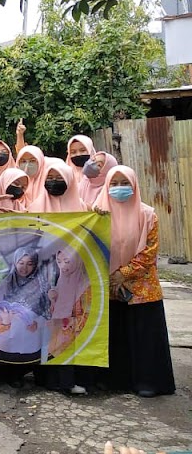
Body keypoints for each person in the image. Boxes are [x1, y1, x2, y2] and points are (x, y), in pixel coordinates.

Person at [93, 166, 175, 397]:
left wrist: (123, 273)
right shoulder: (97, 214)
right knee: (116, 333)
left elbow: (149, 252)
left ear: (135, 185)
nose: (119, 188)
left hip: (142, 287)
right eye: (114, 183)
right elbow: (89, 246)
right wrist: (111, 276)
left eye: (125, 183)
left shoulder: (148, 215)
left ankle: (148, 382)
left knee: (145, 335)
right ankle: (115, 380)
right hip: (109, 285)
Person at [39, 246, 93, 395]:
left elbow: (85, 309)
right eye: (59, 261)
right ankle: (55, 383)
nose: (63, 266)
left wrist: (72, 321)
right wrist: (53, 298)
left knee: (67, 352)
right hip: (60, 324)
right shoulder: (62, 279)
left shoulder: (84, 282)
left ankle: (66, 384)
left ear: (76, 261)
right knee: (56, 351)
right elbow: (57, 306)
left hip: (73, 325)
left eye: (67, 261)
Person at [0, 249, 50, 380]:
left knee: (30, 357)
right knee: (8, 357)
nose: (24, 268)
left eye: (29, 264)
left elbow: (47, 309)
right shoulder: (6, 283)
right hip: (9, 329)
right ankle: (11, 377)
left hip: (32, 331)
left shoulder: (41, 284)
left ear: (35, 265)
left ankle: (23, 375)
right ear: (15, 262)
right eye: (21, 263)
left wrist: (38, 322)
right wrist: (6, 318)